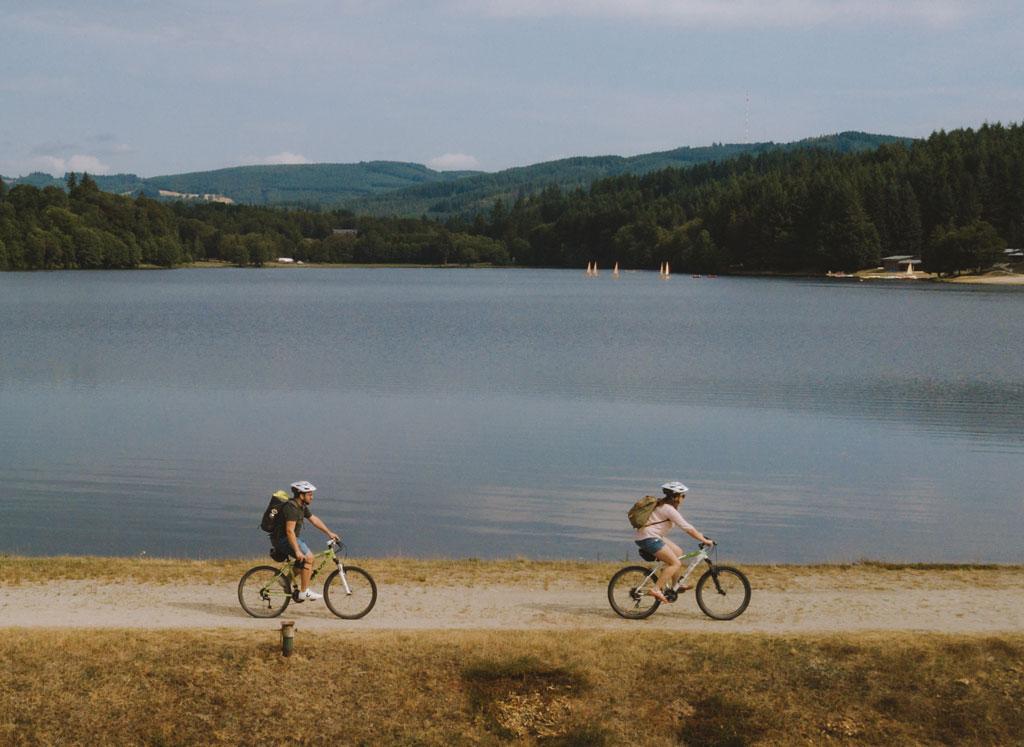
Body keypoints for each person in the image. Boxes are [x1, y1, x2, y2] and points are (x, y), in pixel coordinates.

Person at [634, 481, 713, 604]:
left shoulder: (664, 506)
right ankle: (656, 589)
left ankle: (676, 585)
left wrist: (700, 535)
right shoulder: (668, 509)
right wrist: (703, 540)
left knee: (678, 552)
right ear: (675, 496)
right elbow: (686, 527)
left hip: (649, 536)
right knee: (675, 563)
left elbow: (687, 526)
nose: (683, 498)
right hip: (648, 538)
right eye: (683, 495)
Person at [271, 480, 340, 602]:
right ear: (301, 495)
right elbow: (289, 531)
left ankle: (285, 580)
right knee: (309, 558)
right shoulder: (291, 508)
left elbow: (314, 520)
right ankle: (304, 592)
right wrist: (297, 551)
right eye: (309, 494)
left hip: (290, 538)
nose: (312, 497)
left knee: (305, 561)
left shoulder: (301, 506)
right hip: (283, 540)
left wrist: (329, 533)